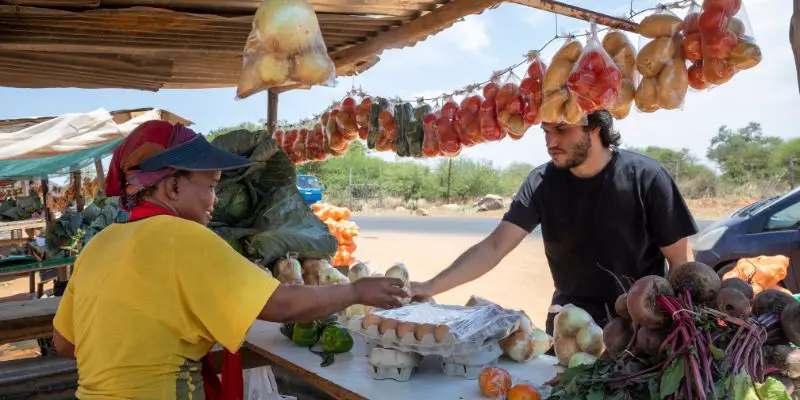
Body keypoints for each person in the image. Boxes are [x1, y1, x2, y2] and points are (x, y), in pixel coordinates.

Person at [52, 121, 407, 399]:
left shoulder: (100, 244)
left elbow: (64, 343)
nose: (215, 201)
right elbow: (283, 305)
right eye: (210, 186)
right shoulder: (184, 237)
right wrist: (356, 291)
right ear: (172, 187)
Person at [411, 110, 698, 335]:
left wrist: (684, 329)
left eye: (561, 129)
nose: (550, 142)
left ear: (594, 126)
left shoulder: (646, 177)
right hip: (568, 323)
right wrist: (430, 286)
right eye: (546, 131)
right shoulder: (541, 182)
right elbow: (495, 247)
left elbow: (681, 260)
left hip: (639, 325)